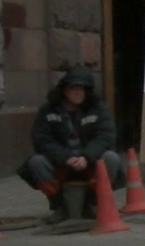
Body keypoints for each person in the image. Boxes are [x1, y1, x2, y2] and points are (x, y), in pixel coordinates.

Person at [16, 65, 124, 222]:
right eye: (74, 88)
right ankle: (59, 207)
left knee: (112, 158)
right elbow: (41, 140)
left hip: (89, 163)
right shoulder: (48, 110)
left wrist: (86, 157)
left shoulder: (97, 108)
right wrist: (65, 158)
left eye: (82, 89)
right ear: (64, 90)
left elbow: (106, 136)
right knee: (36, 162)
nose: (78, 93)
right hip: (61, 164)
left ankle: (93, 204)